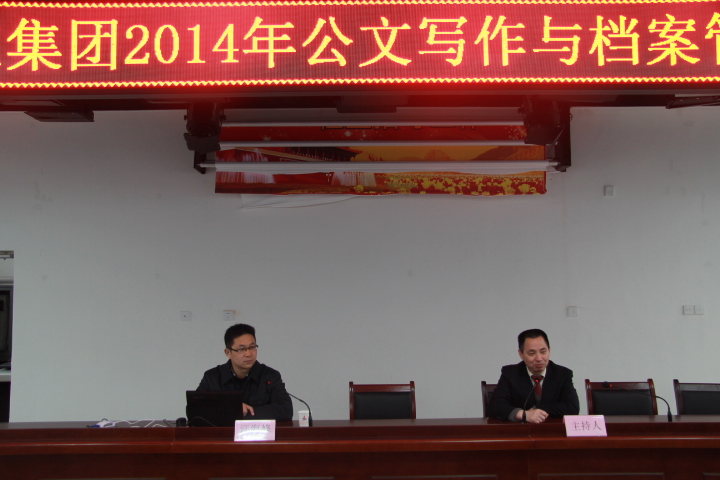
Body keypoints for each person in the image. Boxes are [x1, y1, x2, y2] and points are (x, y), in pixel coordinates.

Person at [197, 323, 293, 421]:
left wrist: (245, 413)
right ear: (228, 353)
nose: (249, 354)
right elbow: (195, 410)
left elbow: (286, 410)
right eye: (242, 349)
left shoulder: (270, 376)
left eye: (252, 347)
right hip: (225, 431)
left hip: (259, 430)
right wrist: (233, 408)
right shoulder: (212, 377)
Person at [488, 328, 579, 423]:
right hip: (520, 430)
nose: (539, 358)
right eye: (532, 353)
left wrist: (536, 409)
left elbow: (572, 408)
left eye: (543, 352)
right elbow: (495, 406)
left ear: (549, 350)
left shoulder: (563, 374)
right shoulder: (510, 373)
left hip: (551, 429)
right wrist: (523, 414)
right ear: (521, 354)